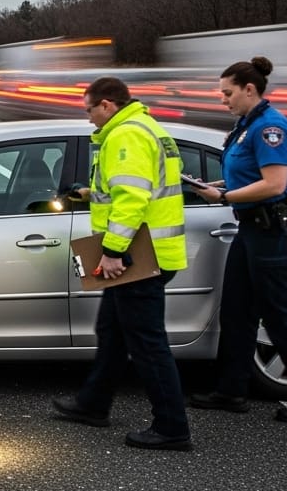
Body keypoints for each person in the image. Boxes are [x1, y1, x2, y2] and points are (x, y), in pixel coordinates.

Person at [187, 57, 287, 423]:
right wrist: (215, 185)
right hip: (252, 229)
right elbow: (249, 175)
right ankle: (231, 390)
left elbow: (274, 184)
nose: (223, 99)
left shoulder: (271, 128)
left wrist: (223, 197)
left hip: (274, 232)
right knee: (237, 309)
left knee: (278, 313)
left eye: (228, 93)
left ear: (249, 89)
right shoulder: (246, 125)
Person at [52, 76, 192, 450]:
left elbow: (132, 198)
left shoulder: (125, 134)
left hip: (139, 254)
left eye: (90, 110)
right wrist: (89, 193)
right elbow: (132, 187)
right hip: (148, 249)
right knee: (111, 329)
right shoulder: (146, 127)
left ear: (107, 104)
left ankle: (172, 427)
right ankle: (93, 403)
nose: (88, 118)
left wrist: (113, 251)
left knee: (147, 343)